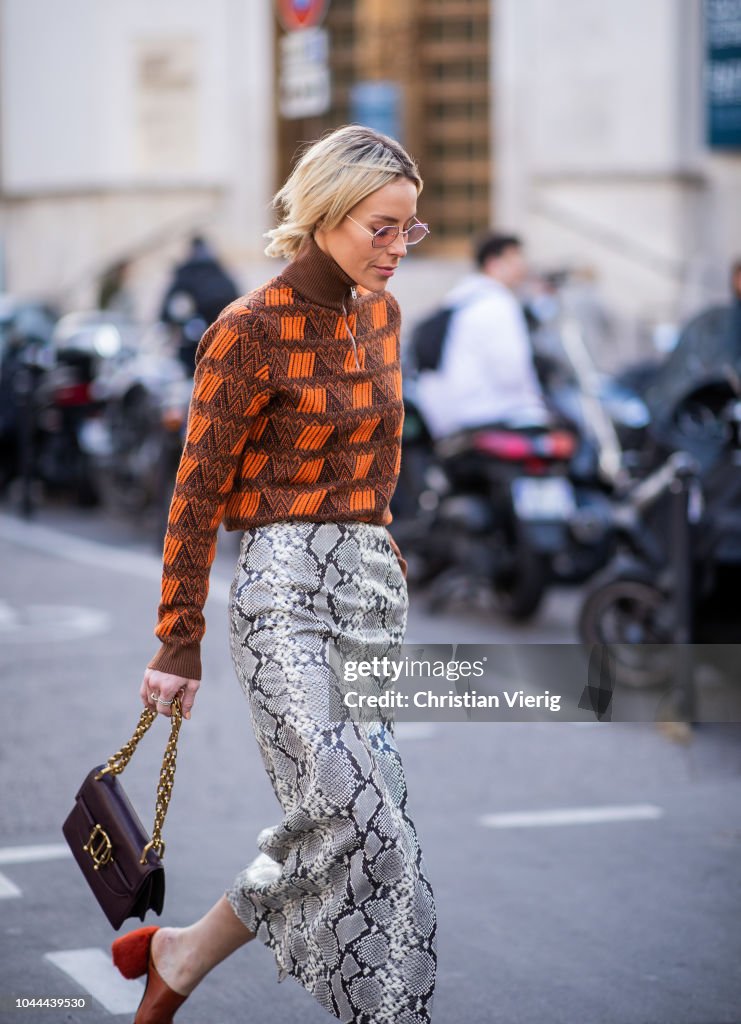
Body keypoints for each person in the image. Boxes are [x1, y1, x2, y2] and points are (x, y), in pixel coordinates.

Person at [110, 125, 437, 1024]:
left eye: (408, 229)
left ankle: (180, 954)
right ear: (325, 214)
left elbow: (381, 453)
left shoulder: (384, 314)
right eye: (381, 227)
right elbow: (195, 494)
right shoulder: (246, 330)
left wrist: (377, 545)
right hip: (283, 593)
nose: (397, 248)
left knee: (341, 823)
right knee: (369, 825)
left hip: (370, 591)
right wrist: (178, 641)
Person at [414, 231, 550, 440]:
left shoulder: (461, 298)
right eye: (515, 258)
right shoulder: (497, 302)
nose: (523, 266)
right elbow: (511, 371)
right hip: (490, 416)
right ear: (493, 263)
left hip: (448, 418)